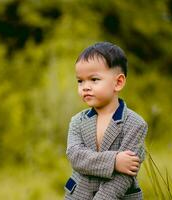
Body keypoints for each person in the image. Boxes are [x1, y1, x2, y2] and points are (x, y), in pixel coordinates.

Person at [64, 42, 148, 200]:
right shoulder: (77, 121)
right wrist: (114, 161)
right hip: (79, 195)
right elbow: (76, 157)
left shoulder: (135, 124)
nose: (85, 87)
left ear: (118, 82)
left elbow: (125, 175)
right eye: (80, 81)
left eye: (94, 79)